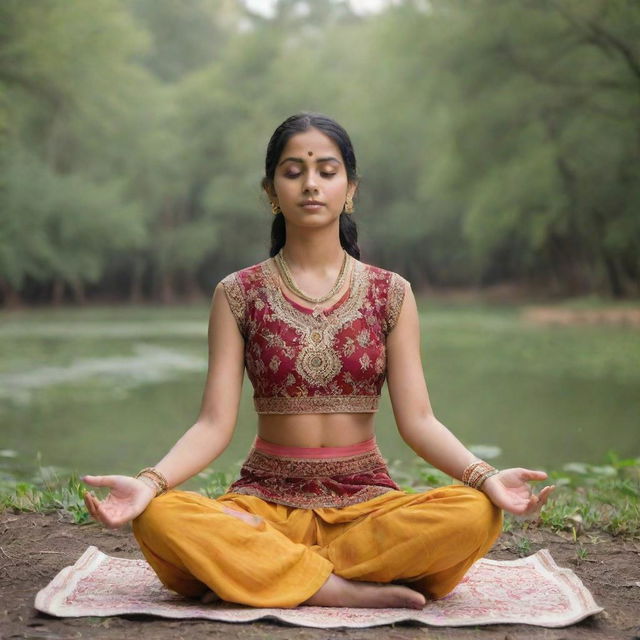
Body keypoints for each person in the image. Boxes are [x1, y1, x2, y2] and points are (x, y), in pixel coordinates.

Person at [83, 113, 554, 610]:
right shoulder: (238, 293)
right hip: (264, 503)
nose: (311, 184)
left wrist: (486, 477)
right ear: (271, 190)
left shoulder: (390, 293)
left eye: (327, 171)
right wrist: (148, 483)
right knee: (160, 516)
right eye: (293, 172)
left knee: (475, 513)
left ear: (350, 188)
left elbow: (418, 421)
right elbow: (213, 424)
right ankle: (341, 588)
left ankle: (267, 569)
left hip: (365, 508)